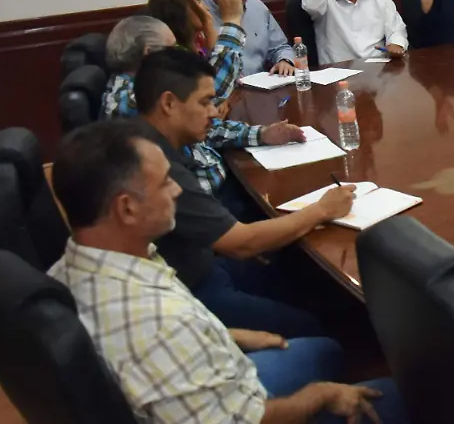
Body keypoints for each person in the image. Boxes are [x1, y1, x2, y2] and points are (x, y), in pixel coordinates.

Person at [47, 120, 407, 423]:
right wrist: (318, 396)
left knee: (325, 350)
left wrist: (225, 334)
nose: (177, 190)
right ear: (126, 209)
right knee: (409, 397)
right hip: (240, 410)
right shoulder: (159, 323)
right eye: (165, 182)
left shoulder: (69, 269)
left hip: (210, 372)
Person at [134, 48, 356, 337]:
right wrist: (322, 209)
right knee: (312, 326)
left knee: (304, 278)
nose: (214, 112)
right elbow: (242, 243)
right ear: (168, 104)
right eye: (205, 102)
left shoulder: (147, 138)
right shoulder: (157, 169)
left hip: (205, 262)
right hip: (194, 290)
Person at [103, 15, 304, 207]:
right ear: (149, 55)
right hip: (211, 204)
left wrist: (262, 134)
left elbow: (207, 128)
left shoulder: (141, 88)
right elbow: (215, 90)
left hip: (224, 189)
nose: (178, 56)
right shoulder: (129, 101)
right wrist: (232, 17)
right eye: (172, 49)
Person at [203, 0, 297, 76]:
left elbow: (280, 47)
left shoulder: (256, 7)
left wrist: (284, 60)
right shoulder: (198, 15)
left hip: (261, 83)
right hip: (222, 85)